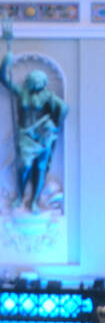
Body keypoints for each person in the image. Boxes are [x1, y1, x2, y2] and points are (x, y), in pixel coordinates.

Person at [0, 20, 67, 212]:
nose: (34, 82)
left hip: (42, 136)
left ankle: (35, 201)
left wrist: (53, 125)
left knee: (40, 168)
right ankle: (20, 197)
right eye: (33, 79)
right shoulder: (22, 93)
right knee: (24, 166)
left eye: (37, 80)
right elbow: (4, 80)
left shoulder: (47, 97)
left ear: (42, 82)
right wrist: (7, 61)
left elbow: (63, 108)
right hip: (26, 135)